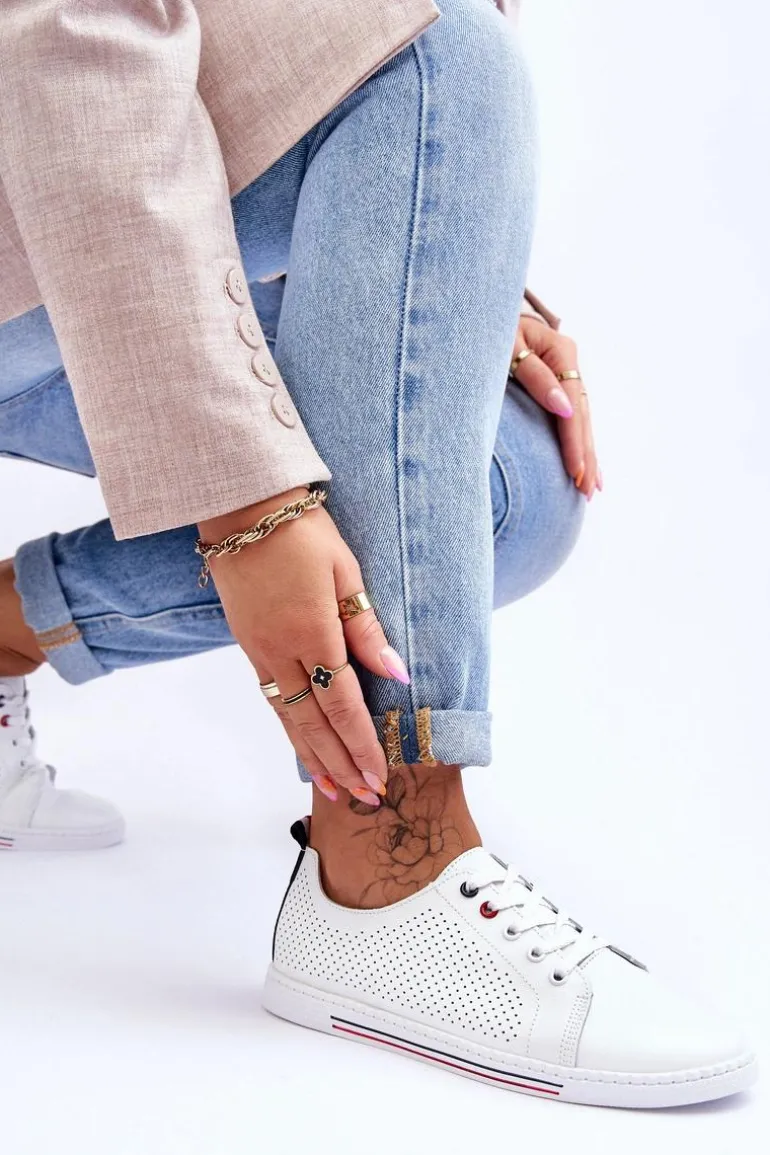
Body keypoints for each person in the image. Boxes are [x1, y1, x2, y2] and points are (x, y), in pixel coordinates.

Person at [0, 0, 756, 1109]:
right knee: (435, 49)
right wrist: (245, 496)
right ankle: (388, 860)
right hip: (60, 149)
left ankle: (7, 630)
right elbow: (72, 38)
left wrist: (438, 246)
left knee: (510, 485)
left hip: (74, 212)